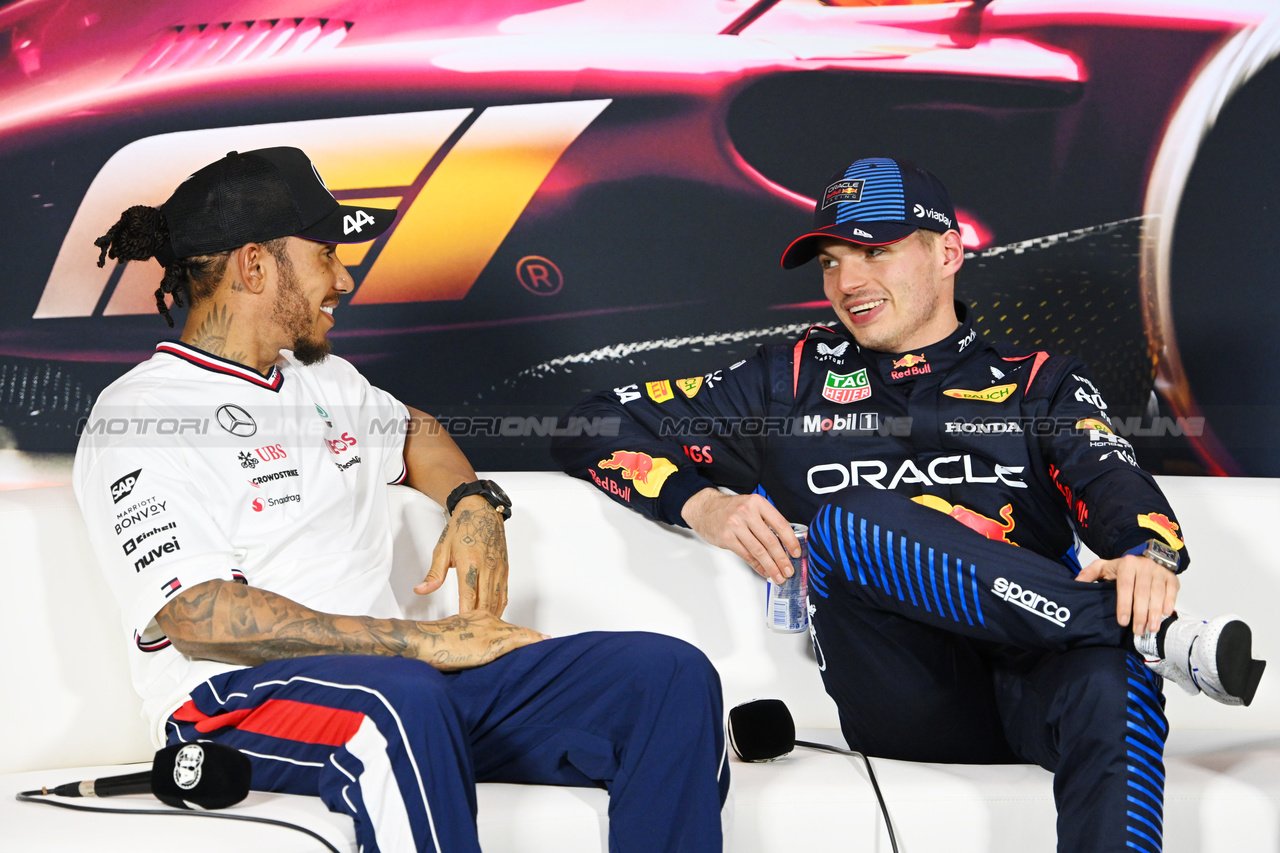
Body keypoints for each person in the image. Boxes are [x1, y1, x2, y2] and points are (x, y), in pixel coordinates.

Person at [551, 157, 1266, 853]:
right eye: (831, 260)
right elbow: (588, 423)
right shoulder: (786, 382)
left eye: (877, 252)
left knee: (1116, 685)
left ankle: (1129, 641)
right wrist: (701, 503)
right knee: (845, 524)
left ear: (948, 251)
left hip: (1038, 672)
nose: (847, 281)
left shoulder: (1037, 383)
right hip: (902, 692)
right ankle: (1146, 633)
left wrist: (1145, 555)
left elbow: (1114, 480)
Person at [74, 147, 729, 853]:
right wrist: (427, 641)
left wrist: (472, 502)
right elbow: (201, 616)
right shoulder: (140, 415)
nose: (345, 278)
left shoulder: (329, 383)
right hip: (229, 701)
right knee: (398, 702)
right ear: (255, 266)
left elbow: (418, 432)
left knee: (667, 678)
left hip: (395, 685)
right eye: (326, 254)